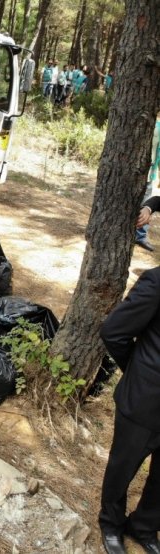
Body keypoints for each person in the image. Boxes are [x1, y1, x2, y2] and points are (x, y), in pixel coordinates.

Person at [99, 268, 160, 554]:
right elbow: (114, 331)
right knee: (122, 468)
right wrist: (137, 373)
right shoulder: (157, 281)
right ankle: (111, 524)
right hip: (146, 400)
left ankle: (145, 526)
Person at [135, 112, 160, 251]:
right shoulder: (146, 121)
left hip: (149, 171)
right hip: (134, 172)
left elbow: (159, 152)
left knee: (146, 200)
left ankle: (140, 236)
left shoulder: (159, 126)